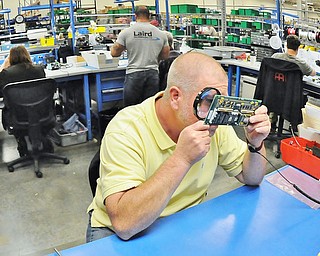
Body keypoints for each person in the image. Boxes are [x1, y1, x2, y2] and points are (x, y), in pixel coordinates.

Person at [86, 52, 271, 242]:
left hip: (183, 222)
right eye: (210, 101)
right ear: (175, 96)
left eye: (222, 102)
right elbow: (125, 224)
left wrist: (255, 143)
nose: (218, 114)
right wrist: (181, 159)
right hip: (118, 232)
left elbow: (252, 178)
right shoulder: (126, 129)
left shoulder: (212, 122)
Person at [110, 6, 170, 107]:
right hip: (153, 74)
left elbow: (114, 53)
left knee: (130, 108)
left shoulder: (126, 32)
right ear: (149, 16)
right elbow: (165, 55)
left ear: (135, 16)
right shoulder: (161, 34)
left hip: (134, 73)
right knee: (149, 108)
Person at [0, 45, 46, 156]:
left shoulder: (6, 74)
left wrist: (3, 68)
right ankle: (44, 139)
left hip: (17, 116)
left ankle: (22, 142)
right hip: (41, 114)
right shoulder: (39, 70)